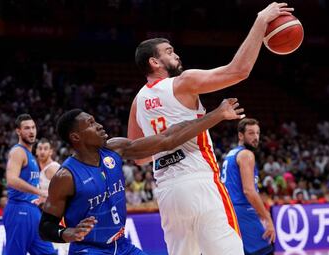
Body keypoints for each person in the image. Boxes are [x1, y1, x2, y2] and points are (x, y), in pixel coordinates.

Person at [127, 3, 293, 254]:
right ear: (154, 62)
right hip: (199, 180)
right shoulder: (182, 82)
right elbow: (239, 71)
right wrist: (261, 21)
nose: (177, 56)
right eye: (169, 52)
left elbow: (138, 157)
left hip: (167, 191)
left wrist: (167, 147)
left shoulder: (137, 101)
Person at [39, 98, 244, 254]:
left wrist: (217, 115)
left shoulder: (115, 149)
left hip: (122, 245)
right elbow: (45, 227)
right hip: (89, 249)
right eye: (91, 124)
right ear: (76, 137)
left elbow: (167, 140)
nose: (100, 125)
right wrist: (67, 233)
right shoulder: (66, 176)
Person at [222, 118, 275, 255]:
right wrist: (267, 217)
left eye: (258, 133)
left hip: (230, 212)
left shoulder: (231, 154)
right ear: (241, 135)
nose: (256, 137)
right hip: (243, 211)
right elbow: (249, 191)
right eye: (251, 133)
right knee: (265, 249)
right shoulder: (246, 154)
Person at [4, 114, 55, 255]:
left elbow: (28, 183)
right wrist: (40, 192)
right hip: (18, 210)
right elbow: (11, 180)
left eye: (33, 127)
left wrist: (39, 196)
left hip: (33, 210)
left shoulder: (31, 156)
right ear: (18, 131)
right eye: (26, 128)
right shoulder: (18, 152)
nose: (31, 131)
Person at [36, 138, 69, 255]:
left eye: (45, 149)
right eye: (40, 148)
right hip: (47, 215)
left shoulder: (52, 168)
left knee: (62, 249)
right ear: (36, 151)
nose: (42, 151)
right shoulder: (41, 169)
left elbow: (66, 191)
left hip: (58, 216)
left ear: (51, 152)